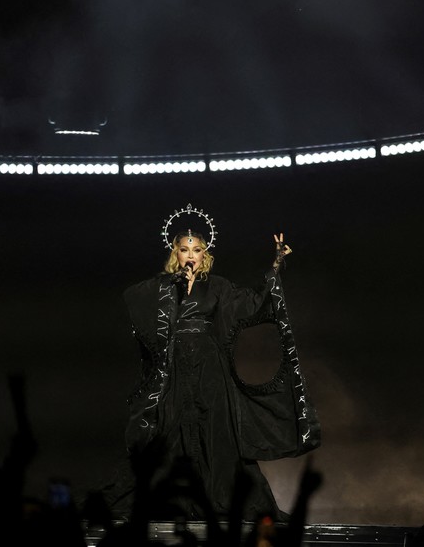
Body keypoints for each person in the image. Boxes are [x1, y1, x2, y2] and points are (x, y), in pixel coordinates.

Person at [100, 223, 320, 522]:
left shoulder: (216, 286)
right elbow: (134, 299)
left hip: (209, 367)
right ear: (174, 253)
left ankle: (220, 499)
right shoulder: (163, 287)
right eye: (184, 250)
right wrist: (175, 285)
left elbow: (254, 303)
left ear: (205, 255)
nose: (190, 255)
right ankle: (172, 498)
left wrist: (277, 263)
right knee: (170, 427)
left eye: (196, 250)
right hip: (174, 368)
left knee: (216, 429)